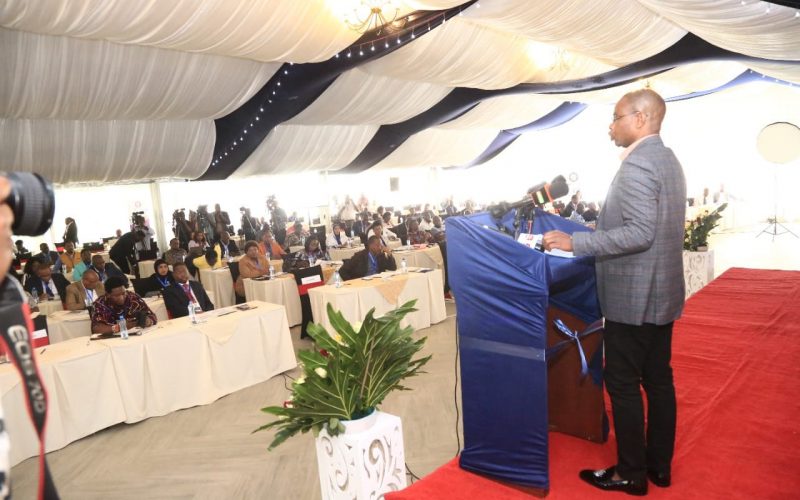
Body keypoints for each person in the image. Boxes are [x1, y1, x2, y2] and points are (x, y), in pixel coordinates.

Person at [543, 89, 686, 496]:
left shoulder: (639, 165)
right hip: (661, 294)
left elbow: (641, 232)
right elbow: (649, 227)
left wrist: (578, 244)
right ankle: (659, 466)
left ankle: (630, 472)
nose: (610, 126)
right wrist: (595, 233)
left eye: (616, 117)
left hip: (632, 297)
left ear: (640, 119)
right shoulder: (668, 159)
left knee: (623, 384)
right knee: (658, 380)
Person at [91, 276, 157, 334]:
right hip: (112, 341)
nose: (122, 298)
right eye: (117, 295)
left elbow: (152, 315)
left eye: (123, 293)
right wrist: (121, 327)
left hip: (136, 335)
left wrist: (149, 321)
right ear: (108, 294)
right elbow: (96, 328)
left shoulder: (133, 298)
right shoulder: (100, 304)